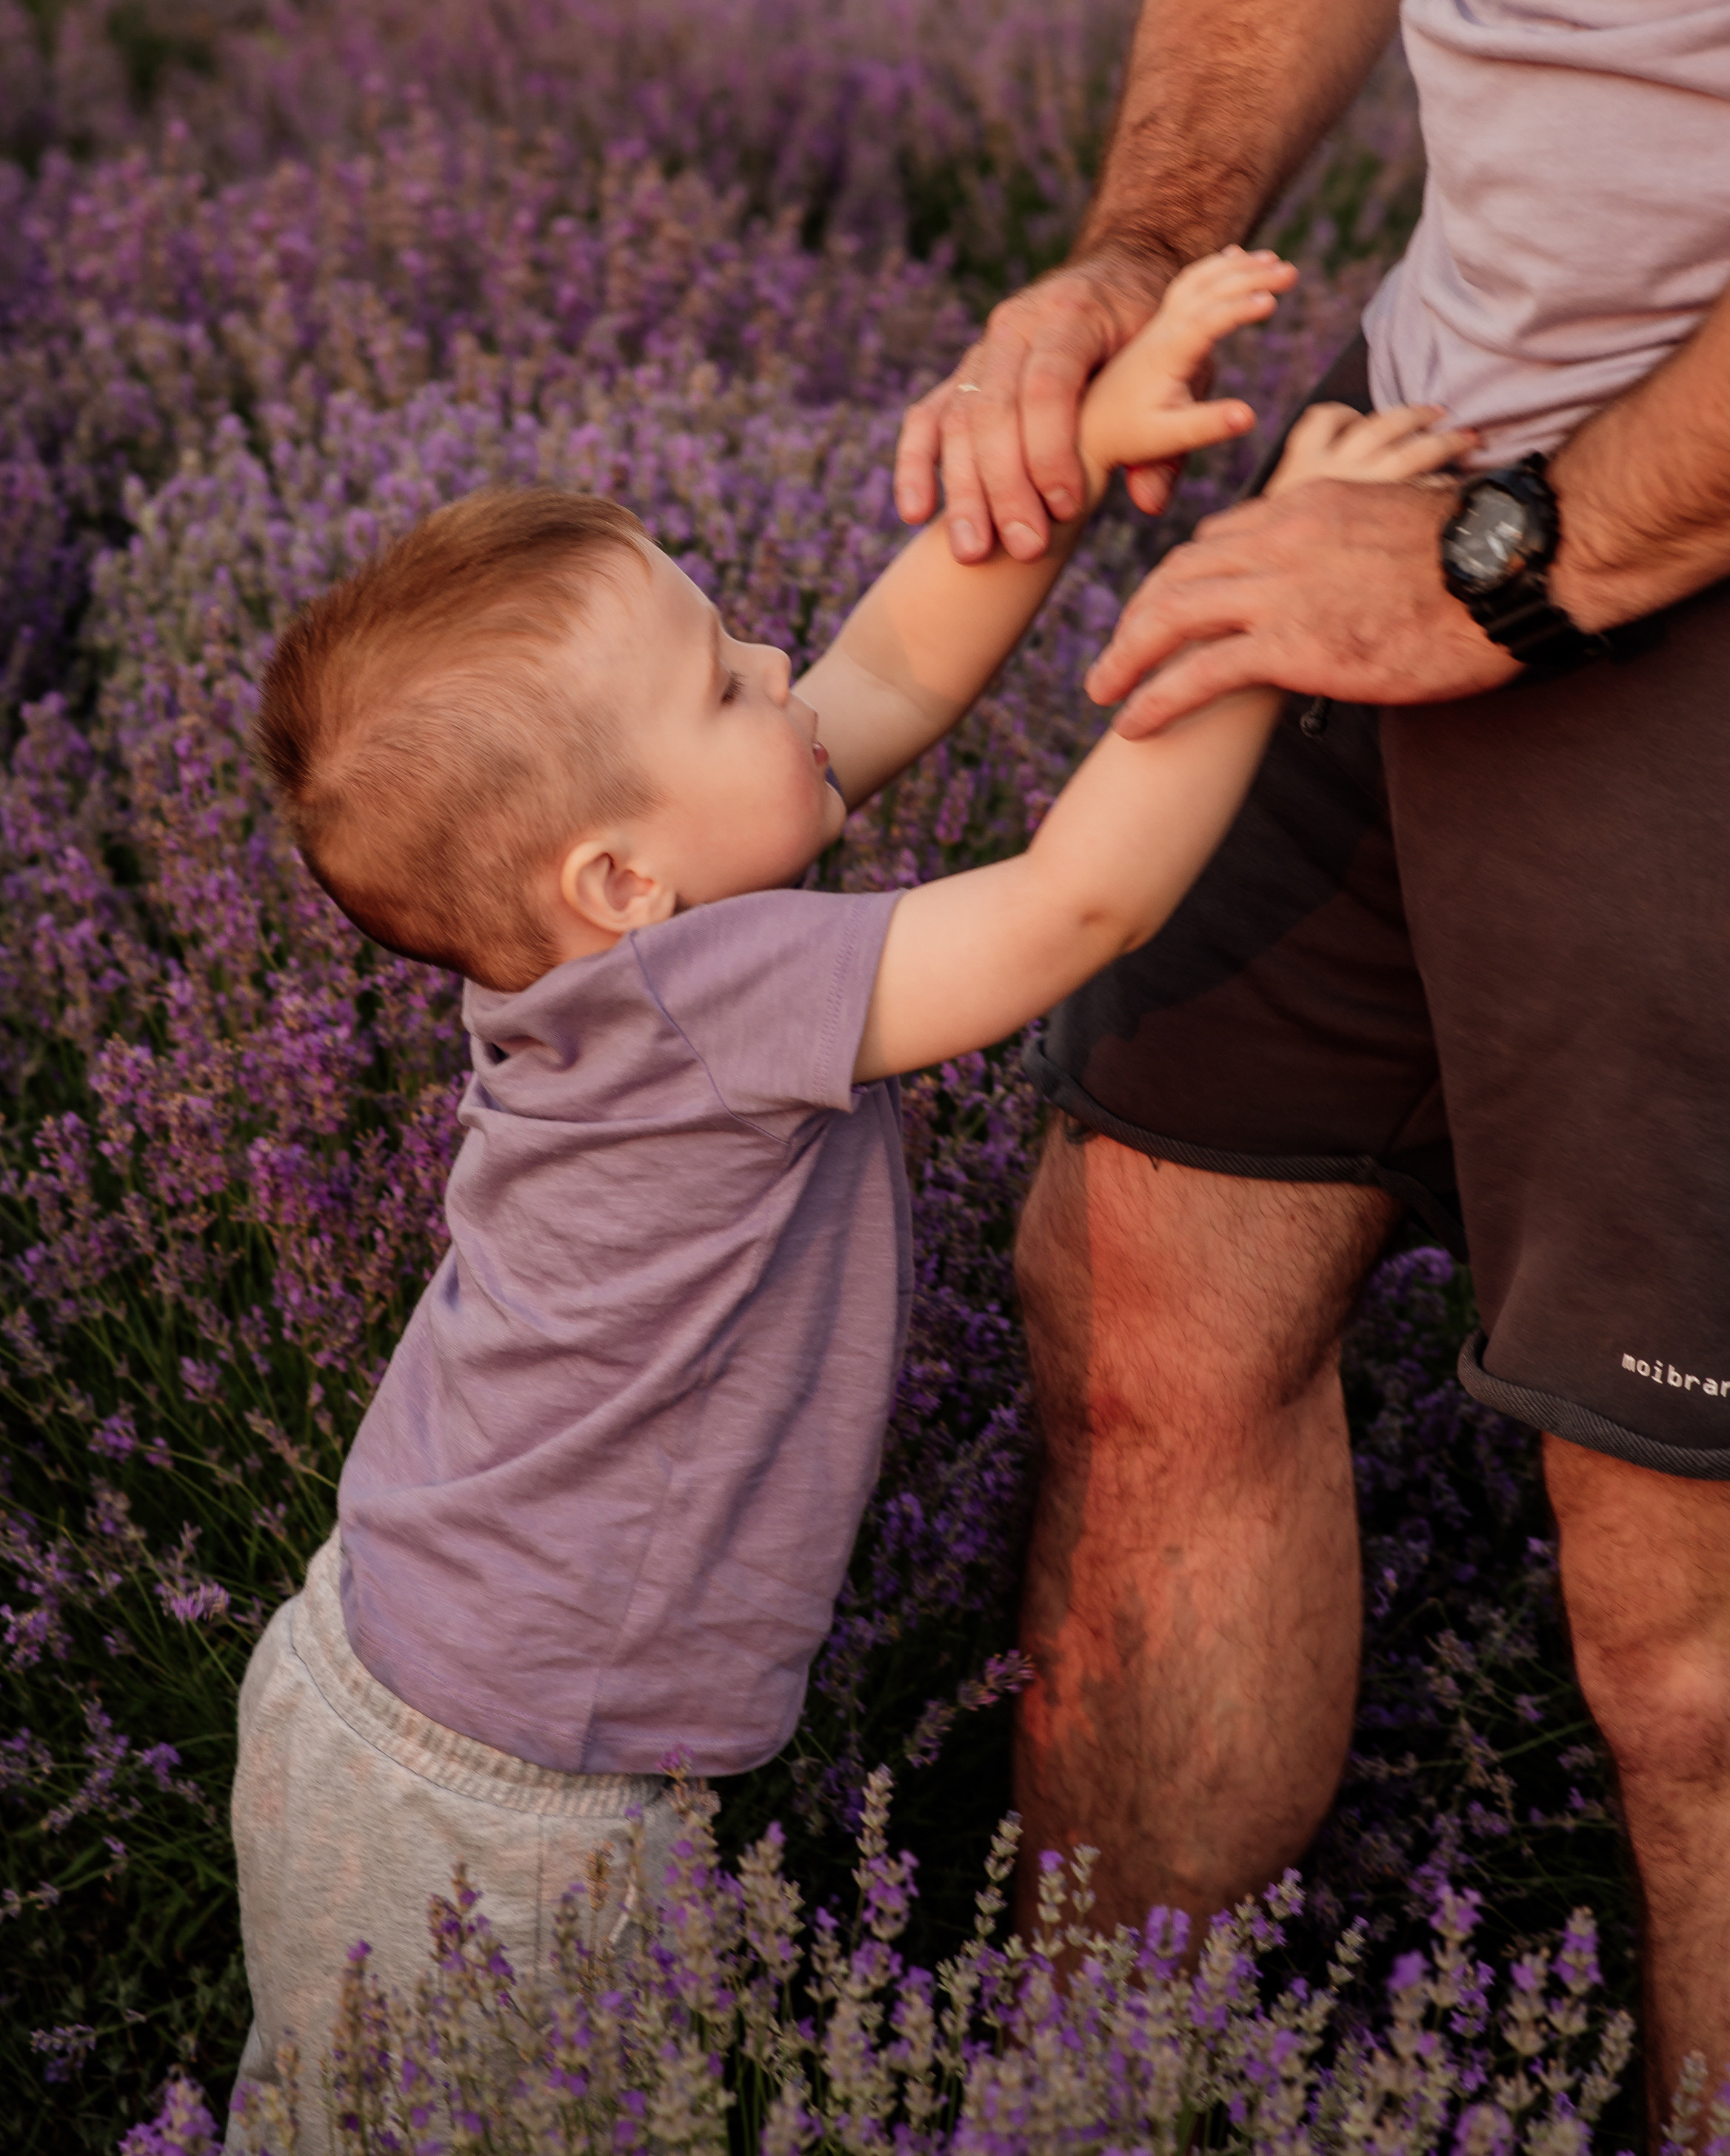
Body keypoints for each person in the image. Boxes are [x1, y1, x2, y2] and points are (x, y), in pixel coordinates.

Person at [223, 244, 1462, 2145]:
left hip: (375, 1674)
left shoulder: (603, 962)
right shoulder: (715, 994)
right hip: (513, 1802)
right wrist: (1264, 605)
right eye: (724, 685)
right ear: (622, 875)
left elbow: (882, 670)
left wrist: (1075, 463)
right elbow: (1078, 904)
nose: (776, 675)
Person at [895, 0, 1730, 2113]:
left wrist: (1531, 559)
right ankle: (1080, 2103)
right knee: (1144, 1295)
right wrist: (1136, 241)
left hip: (1608, 561)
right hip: (1429, 462)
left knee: (1681, 1636)